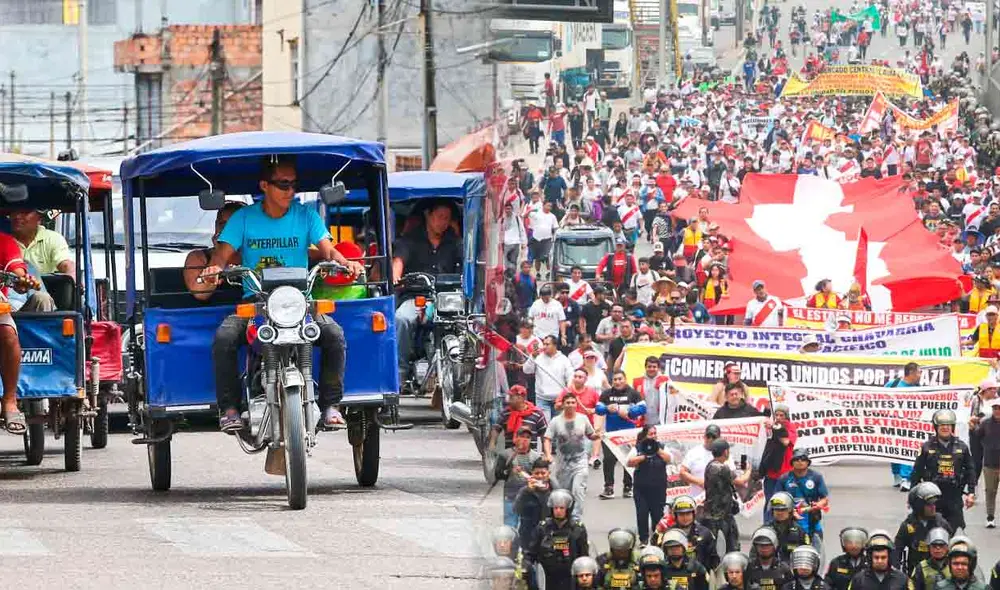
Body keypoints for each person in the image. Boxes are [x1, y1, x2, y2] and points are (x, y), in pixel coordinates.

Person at [200, 156, 361, 431]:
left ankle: (331, 405)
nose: (290, 191)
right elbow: (222, 254)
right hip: (257, 304)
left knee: (334, 335)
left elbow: (328, 250)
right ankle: (229, 409)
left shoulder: (306, 216)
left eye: (293, 185)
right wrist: (215, 266)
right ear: (264, 185)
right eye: (282, 184)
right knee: (224, 337)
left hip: (301, 303)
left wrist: (345, 262)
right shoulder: (243, 218)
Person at [390, 197, 463, 384]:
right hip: (416, 297)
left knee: (464, 326)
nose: (443, 222)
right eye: (440, 217)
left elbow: (465, 265)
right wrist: (395, 275)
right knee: (402, 319)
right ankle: (401, 371)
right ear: (428, 216)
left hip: (446, 299)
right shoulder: (410, 240)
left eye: (447, 218)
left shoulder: (455, 242)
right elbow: (398, 260)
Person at [0, 230, 43, 434]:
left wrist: (22, 279)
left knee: (7, 332)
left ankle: (9, 399)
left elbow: (16, 269)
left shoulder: (4, 242)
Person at [910, 409, 977, 531]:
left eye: (948, 425)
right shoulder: (926, 447)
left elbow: (970, 470)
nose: (945, 428)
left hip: (954, 496)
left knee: (956, 532)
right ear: (936, 427)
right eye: (942, 425)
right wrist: (912, 495)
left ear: (953, 427)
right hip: (932, 497)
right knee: (931, 532)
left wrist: (971, 493)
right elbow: (917, 471)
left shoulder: (962, 447)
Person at [544, 392, 603, 521]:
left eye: (573, 402)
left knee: (578, 490)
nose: (570, 405)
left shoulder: (583, 419)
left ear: (576, 404)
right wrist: (548, 454)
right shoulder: (556, 421)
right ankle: (564, 520)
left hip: (580, 461)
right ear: (563, 405)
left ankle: (576, 520)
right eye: (568, 403)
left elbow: (590, 435)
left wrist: (597, 435)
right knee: (564, 494)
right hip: (563, 463)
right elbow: (547, 438)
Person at [524, 489, 589, 590]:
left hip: (570, 577)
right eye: (556, 508)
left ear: (568, 509)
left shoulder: (578, 529)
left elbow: (584, 556)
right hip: (547, 576)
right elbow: (531, 552)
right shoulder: (542, 528)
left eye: (562, 508)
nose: (558, 511)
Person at [597, 371, 645, 499]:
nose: (617, 382)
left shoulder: (633, 393)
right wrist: (607, 409)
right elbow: (598, 409)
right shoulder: (606, 393)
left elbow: (643, 408)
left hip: (629, 434)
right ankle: (609, 488)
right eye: (615, 380)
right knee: (608, 460)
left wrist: (629, 412)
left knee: (628, 460)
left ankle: (628, 487)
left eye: (620, 379)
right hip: (610, 435)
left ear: (625, 379)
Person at [183, 202, 246, 300]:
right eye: (223, 225)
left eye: (234, 225)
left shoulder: (257, 254)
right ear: (216, 226)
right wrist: (219, 253)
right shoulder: (198, 257)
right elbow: (200, 294)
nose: (227, 230)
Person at [703, 438, 753, 553]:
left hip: (716, 514)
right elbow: (741, 481)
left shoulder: (711, 465)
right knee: (729, 548)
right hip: (720, 517)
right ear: (725, 452)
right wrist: (749, 470)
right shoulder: (721, 468)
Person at [776, 449, 829, 557]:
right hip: (789, 521)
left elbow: (824, 499)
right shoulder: (784, 478)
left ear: (808, 462)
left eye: (803, 459)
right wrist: (788, 512)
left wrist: (818, 505)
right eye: (797, 459)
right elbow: (776, 500)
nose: (800, 461)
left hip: (812, 521)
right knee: (788, 552)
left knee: (815, 553)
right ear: (792, 462)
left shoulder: (816, 477)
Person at [626, 425, 673, 545]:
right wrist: (644, 456)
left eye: (655, 434)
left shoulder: (661, 447)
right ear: (645, 435)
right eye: (651, 434)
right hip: (641, 488)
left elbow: (669, 459)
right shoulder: (638, 447)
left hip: (658, 488)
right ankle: (643, 539)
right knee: (642, 513)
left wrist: (657, 450)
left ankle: (657, 539)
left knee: (657, 514)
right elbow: (629, 462)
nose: (653, 436)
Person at [895, 482, 954, 573]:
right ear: (919, 505)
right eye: (929, 504)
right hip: (915, 574)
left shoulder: (942, 524)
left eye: (934, 504)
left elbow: (953, 548)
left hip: (940, 575)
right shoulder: (908, 526)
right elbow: (897, 551)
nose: (933, 507)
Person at [656, 494, 720, 571]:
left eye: (688, 513)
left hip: (701, 576)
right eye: (681, 514)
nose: (685, 517)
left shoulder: (705, 533)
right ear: (675, 515)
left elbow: (714, 559)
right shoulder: (668, 534)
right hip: (674, 577)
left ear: (694, 513)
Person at [496, 426, 543, 528]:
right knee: (510, 526)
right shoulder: (505, 454)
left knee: (528, 526)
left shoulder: (536, 457)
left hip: (529, 497)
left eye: (527, 437)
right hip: (511, 495)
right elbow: (498, 474)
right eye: (521, 436)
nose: (524, 440)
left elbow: (541, 477)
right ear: (515, 438)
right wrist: (509, 471)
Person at [887, 362, 922, 490]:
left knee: (908, 450)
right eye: (919, 372)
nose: (920, 375)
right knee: (894, 451)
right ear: (912, 373)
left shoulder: (919, 387)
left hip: (910, 425)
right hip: (893, 424)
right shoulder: (893, 384)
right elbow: (880, 398)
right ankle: (896, 475)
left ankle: (906, 478)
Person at [762, 404, 797, 523]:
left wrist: (775, 427)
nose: (778, 417)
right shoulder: (771, 426)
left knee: (785, 501)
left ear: (787, 416)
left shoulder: (790, 427)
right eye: (776, 415)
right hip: (771, 472)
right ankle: (767, 524)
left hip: (785, 472)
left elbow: (786, 441)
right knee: (769, 501)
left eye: (781, 415)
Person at [512, 457, 553, 550]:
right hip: (528, 536)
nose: (540, 476)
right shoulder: (524, 491)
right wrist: (528, 492)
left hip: (549, 535)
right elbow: (516, 509)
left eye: (543, 473)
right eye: (537, 473)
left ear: (548, 474)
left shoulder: (555, 489)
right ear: (532, 474)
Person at [491, 385, 547, 450]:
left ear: (521, 398)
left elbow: (544, 434)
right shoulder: (505, 413)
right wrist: (492, 443)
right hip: (510, 454)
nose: (508, 400)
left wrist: (545, 453)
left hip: (531, 455)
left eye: (511, 397)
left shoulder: (537, 413)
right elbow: (496, 428)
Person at [533, 335, 574, 420]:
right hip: (542, 398)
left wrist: (568, 392)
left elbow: (570, 376)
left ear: (555, 345)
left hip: (559, 399)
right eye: (543, 344)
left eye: (547, 344)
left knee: (558, 427)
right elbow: (527, 370)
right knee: (545, 426)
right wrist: (532, 357)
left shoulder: (564, 359)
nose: (544, 347)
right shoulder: (538, 357)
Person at [680, 423, 722, 500]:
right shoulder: (694, 452)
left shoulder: (724, 453)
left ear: (719, 438)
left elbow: (732, 475)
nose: (710, 439)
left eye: (714, 437)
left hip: (718, 500)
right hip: (697, 499)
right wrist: (700, 482)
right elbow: (682, 473)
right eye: (708, 436)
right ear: (704, 436)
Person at [767, 492, 810, 563]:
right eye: (776, 509)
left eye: (783, 510)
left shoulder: (800, 531)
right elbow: (754, 556)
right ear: (772, 511)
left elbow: (807, 555)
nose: (779, 513)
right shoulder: (765, 530)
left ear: (790, 510)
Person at [980, 398, 1000, 528]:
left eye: (999, 408)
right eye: (995, 408)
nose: (997, 411)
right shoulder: (985, 423)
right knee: (990, 491)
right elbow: (977, 436)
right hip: (990, 463)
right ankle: (990, 517)